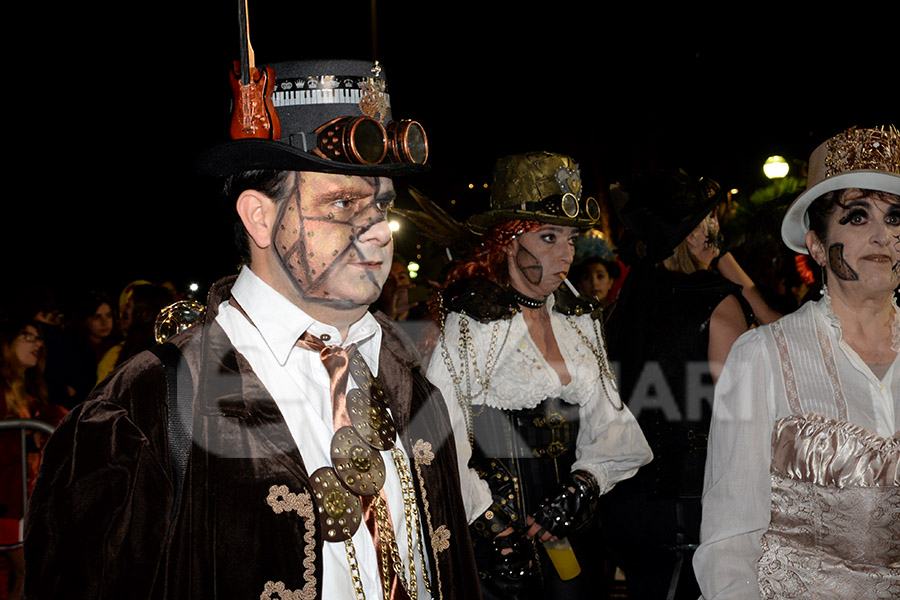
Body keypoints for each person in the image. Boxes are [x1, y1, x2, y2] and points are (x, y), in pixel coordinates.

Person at [25, 59, 479, 600]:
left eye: (381, 205)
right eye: (342, 204)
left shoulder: (410, 385)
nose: (379, 231)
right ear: (260, 218)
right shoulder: (145, 407)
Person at [425, 151, 652, 599]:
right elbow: (440, 436)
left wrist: (582, 489)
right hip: (499, 546)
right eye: (549, 237)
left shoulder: (580, 322)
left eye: (570, 239)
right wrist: (491, 525)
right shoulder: (472, 324)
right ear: (509, 241)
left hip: (574, 538)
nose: (565, 254)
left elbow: (614, 424)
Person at [694, 125, 900, 599]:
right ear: (816, 246)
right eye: (857, 216)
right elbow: (729, 539)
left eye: (895, 218)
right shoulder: (762, 356)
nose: (882, 235)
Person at [600, 169, 754, 600]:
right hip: (690, 502)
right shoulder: (714, 299)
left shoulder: (626, 301)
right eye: (711, 219)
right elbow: (737, 410)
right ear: (692, 233)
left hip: (624, 500)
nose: (719, 229)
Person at [0, 319, 65, 600]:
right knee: (29, 574)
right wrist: (26, 439)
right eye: (27, 336)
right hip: (8, 503)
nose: (38, 344)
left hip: (20, 502)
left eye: (39, 339)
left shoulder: (29, 393)